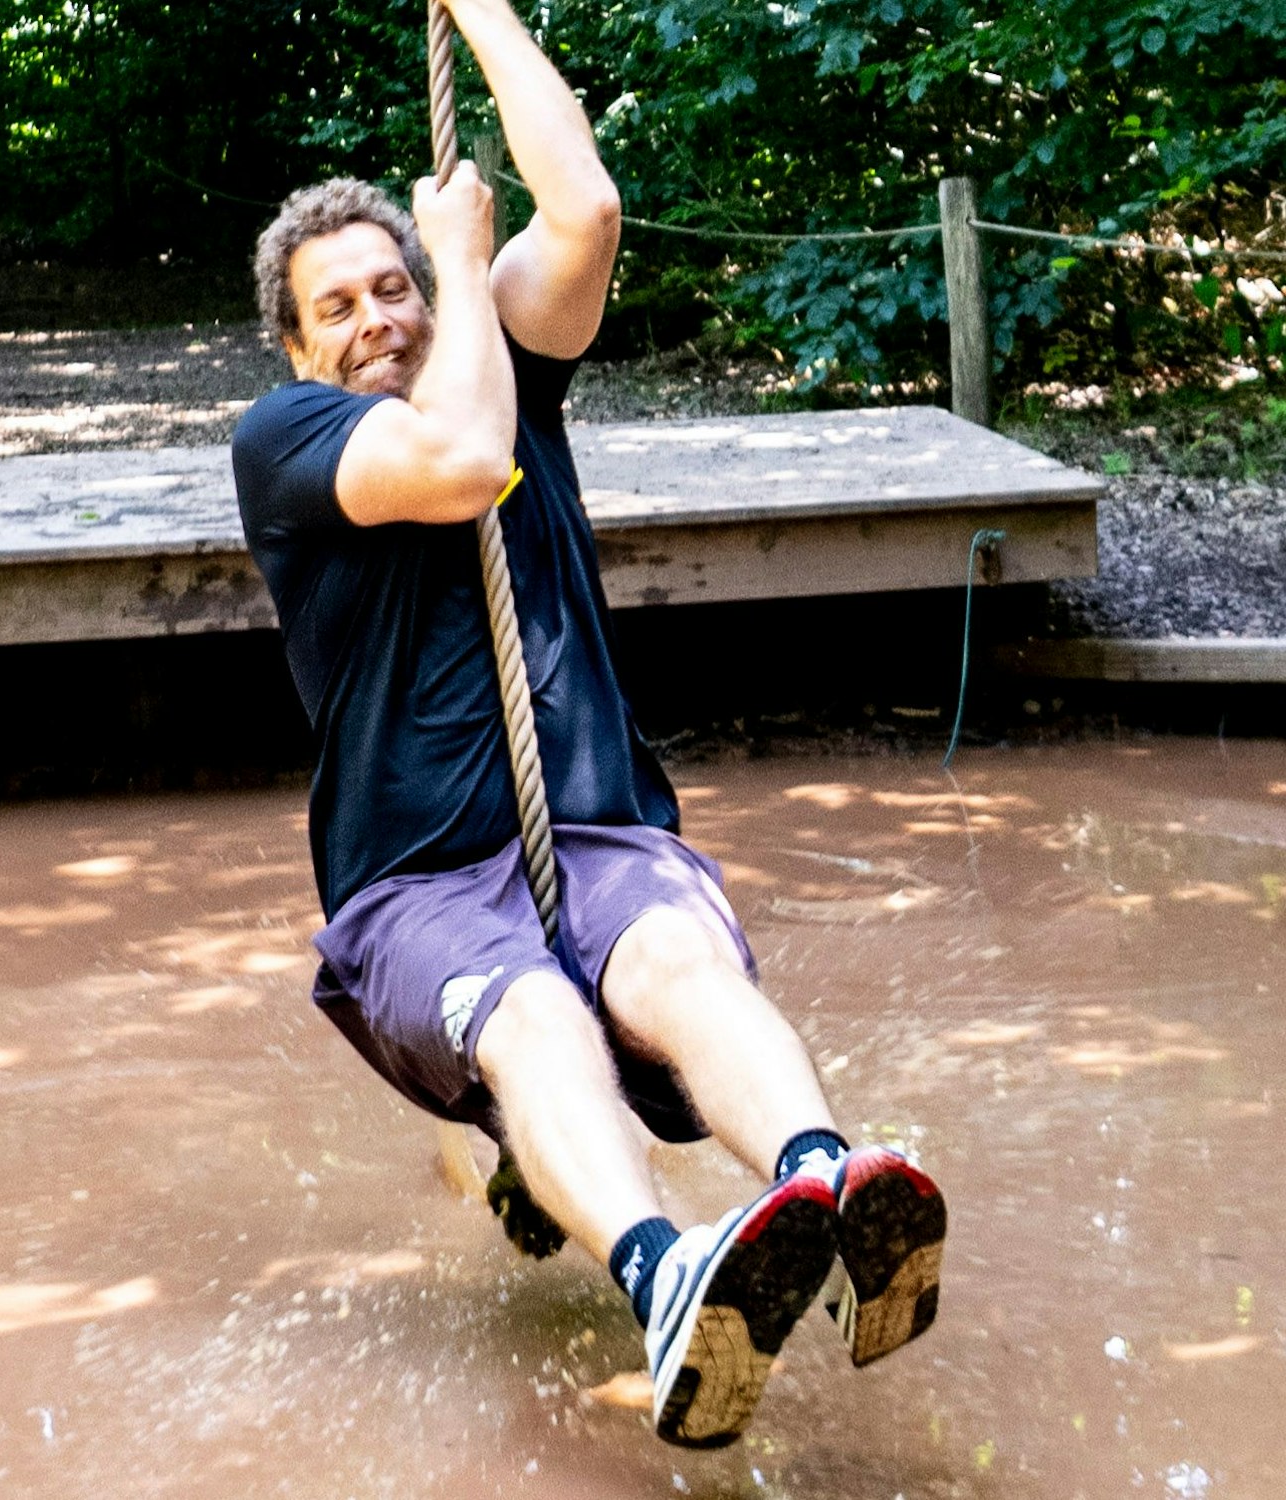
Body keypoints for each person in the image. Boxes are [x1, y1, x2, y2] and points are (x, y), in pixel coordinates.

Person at [231, 0, 946, 1450]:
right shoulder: (290, 440)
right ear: (299, 350)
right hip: (421, 884)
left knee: (675, 959)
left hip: (597, 829)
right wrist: (453, 260)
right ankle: (666, 1276)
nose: (379, 320)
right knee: (536, 1016)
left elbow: (587, 210)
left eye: (393, 288)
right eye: (340, 307)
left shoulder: (500, 358)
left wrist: (485, 10)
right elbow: (462, 461)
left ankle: (827, 1184)